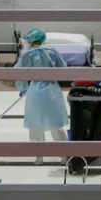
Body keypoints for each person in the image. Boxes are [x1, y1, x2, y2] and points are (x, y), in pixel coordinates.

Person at [13, 29, 68, 158]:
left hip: (35, 90)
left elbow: (19, 72)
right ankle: (64, 154)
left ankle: (38, 155)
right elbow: (63, 68)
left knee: (35, 124)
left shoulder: (27, 54)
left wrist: (23, 87)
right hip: (52, 89)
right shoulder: (52, 52)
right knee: (56, 122)